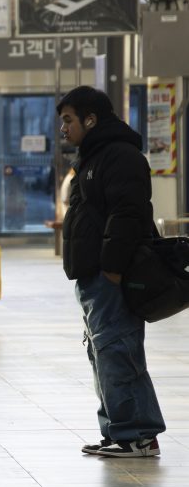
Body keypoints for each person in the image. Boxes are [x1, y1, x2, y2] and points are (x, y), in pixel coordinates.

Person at [59, 86, 164, 458]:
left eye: (69, 120)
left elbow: (129, 214)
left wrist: (112, 269)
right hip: (93, 275)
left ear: (91, 119)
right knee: (104, 352)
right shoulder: (94, 157)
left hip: (109, 275)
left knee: (118, 350)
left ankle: (138, 434)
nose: (63, 129)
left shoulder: (119, 155)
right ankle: (119, 430)